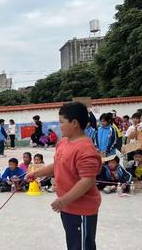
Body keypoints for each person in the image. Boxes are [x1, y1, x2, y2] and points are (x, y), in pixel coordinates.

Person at [27, 102, 102, 250]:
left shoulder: (85, 149)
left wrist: (62, 201)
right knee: (74, 244)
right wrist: (36, 173)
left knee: (82, 246)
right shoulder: (63, 143)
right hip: (68, 207)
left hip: (82, 209)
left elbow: (87, 181)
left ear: (74, 123)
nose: (59, 125)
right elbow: (57, 165)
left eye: (62, 122)